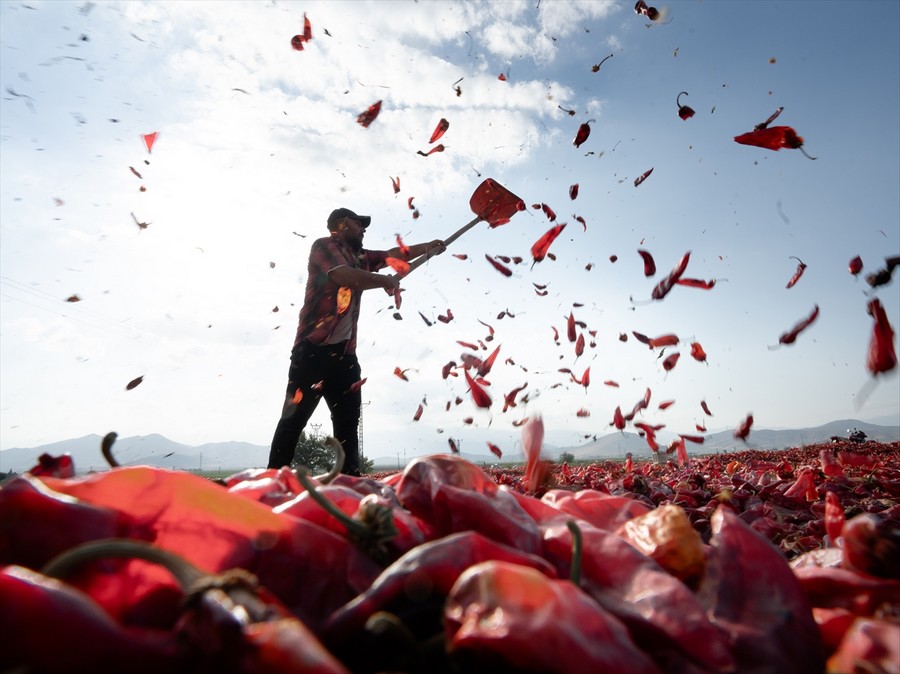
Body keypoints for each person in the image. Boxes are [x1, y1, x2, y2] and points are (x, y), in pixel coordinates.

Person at [268, 207, 444, 475]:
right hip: (313, 351)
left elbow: (393, 255)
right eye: (358, 223)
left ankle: (349, 478)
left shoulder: (360, 257)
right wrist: (383, 280)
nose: (363, 229)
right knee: (294, 419)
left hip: (345, 356)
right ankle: (273, 477)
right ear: (341, 225)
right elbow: (345, 276)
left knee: (348, 422)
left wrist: (428, 247)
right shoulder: (324, 246)